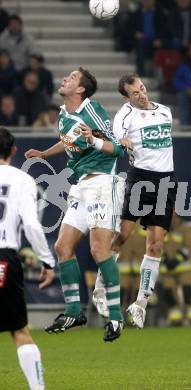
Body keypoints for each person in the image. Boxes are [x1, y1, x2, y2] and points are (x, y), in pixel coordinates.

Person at [25, 67, 125, 342]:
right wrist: (45, 153)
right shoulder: (62, 114)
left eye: (71, 78)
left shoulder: (91, 110)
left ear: (80, 89)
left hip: (103, 182)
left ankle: (114, 317)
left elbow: (116, 147)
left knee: (98, 248)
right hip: (81, 185)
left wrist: (93, 138)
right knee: (61, 247)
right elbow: (68, 141)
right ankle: (73, 311)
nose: (65, 79)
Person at [93, 74, 178, 329]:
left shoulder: (165, 111)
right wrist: (122, 141)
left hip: (166, 181)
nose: (142, 95)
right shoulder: (124, 116)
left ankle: (140, 304)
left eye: (142, 89)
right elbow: (115, 141)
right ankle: (100, 287)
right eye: (135, 93)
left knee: (156, 245)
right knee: (122, 236)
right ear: (126, 97)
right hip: (140, 179)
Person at [0, 127, 55, 390]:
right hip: (4, 257)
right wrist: (47, 261)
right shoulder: (22, 180)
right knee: (19, 330)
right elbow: (32, 226)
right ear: (13, 151)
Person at [160, 212, 191, 326]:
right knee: (169, 293)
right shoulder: (160, 229)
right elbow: (156, 245)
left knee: (187, 290)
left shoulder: (185, 228)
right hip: (167, 270)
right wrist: (164, 259)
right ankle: (175, 317)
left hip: (184, 268)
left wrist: (177, 259)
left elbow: (189, 246)